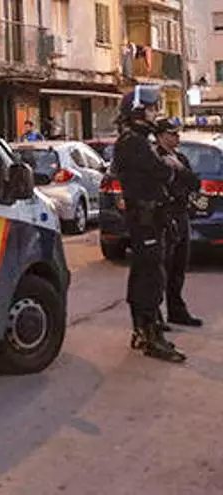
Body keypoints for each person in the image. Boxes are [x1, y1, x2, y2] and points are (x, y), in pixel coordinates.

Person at [112, 85, 186, 362]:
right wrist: (171, 167)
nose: (156, 113)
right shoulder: (134, 142)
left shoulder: (138, 139)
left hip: (149, 218)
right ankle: (151, 336)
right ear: (139, 111)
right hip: (144, 219)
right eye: (152, 108)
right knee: (151, 277)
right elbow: (159, 171)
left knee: (144, 273)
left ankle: (143, 331)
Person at [154, 117, 203, 328]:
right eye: (172, 134)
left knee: (179, 267)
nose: (177, 137)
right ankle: (155, 315)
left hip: (181, 215)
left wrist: (180, 168)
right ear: (161, 136)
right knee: (162, 267)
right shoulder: (155, 158)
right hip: (165, 217)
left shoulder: (180, 158)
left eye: (177, 133)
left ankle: (177, 311)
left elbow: (195, 183)